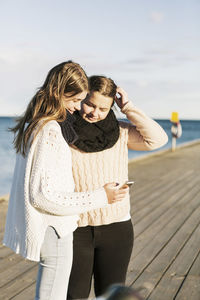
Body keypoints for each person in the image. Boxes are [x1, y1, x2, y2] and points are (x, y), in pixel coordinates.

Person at [3, 63, 127, 300]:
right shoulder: (49, 129)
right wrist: (102, 196)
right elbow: (42, 195)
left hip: (50, 228)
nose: (78, 107)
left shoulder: (35, 123)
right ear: (59, 92)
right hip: (54, 229)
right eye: (75, 99)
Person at [67, 75, 168, 299]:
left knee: (112, 295)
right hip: (75, 229)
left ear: (112, 106)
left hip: (116, 230)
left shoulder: (121, 133)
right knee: (73, 296)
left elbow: (158, 140)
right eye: (90, 104)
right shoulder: (64, 132)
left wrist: (128, 107)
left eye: (103, 108)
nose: (95, 112)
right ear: (81, 98)